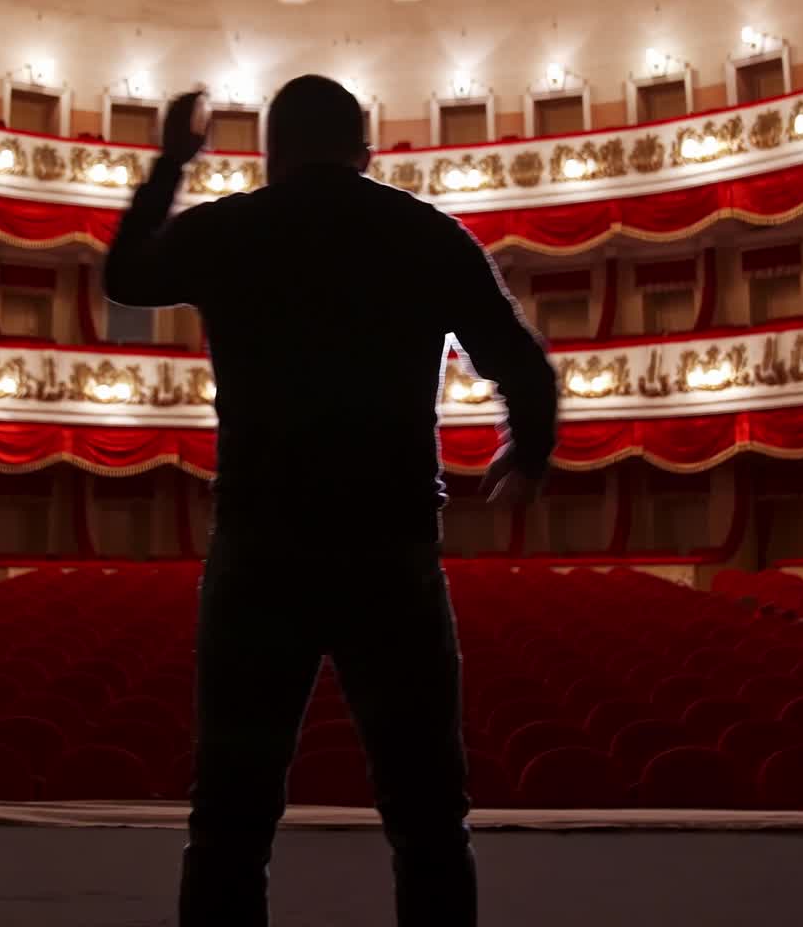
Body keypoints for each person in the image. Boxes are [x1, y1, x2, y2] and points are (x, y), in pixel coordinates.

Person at [105, 75, 559, 927]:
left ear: (272, 154)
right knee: (428, 821)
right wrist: (524, 453)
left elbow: (126, 277)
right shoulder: (424, 235)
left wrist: (171, 162)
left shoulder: (234, 229)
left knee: (230, 825)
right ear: (366, 151)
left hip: (260, 546)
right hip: (388, 551)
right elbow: (522, 366)